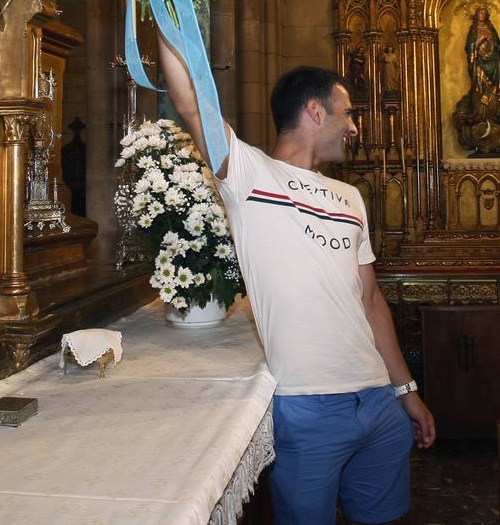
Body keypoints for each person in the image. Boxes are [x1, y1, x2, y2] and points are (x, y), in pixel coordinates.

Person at [154, 32, 436, 524]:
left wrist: (405, 391)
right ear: (315, 111)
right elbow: (192, 104)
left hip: (378, 402)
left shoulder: (351, 198)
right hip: (307, 409)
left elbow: (370, 302)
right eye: (347, 113)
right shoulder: (250, 175)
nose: (353, 127)